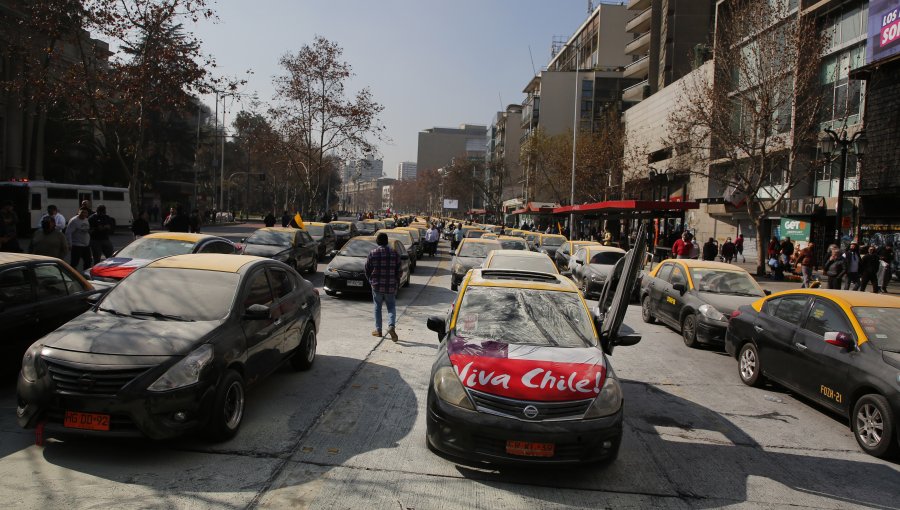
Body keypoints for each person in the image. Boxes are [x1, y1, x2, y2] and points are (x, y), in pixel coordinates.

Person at [365, 233, 401, 341]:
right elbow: (399, 271)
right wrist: (396, 282)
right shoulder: (394, 253)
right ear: (387, 241)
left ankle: (378, 330)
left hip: (377, 286)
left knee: (377, 307)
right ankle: (391, 326)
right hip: (390, 286)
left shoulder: (373, 253)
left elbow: (367, 269)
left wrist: (371, 281)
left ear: (377, 241)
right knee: (391, 307)